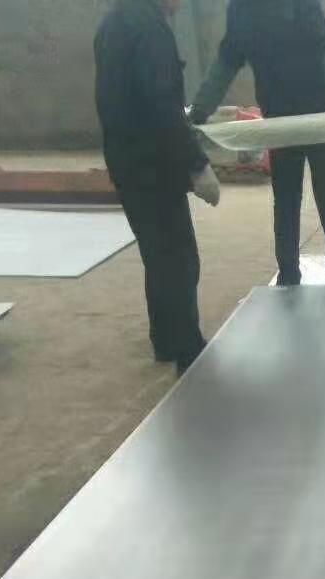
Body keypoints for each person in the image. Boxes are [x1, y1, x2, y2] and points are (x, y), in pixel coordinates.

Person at [189, 0, 325, 287]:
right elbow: (227, 60)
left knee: (319, 194)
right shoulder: (242, 9)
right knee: (291, 197)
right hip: (282, 120)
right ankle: (292, 274)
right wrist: (201, 109)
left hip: (318, 117)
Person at [95, 0, 221, 375]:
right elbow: (163, 105)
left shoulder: (114, 21)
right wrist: (197, 163)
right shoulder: (149, 29)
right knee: (179, 258)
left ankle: (165, 339)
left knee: (157, 253)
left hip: (125, 159)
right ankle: (188, 350)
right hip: (153, 164)